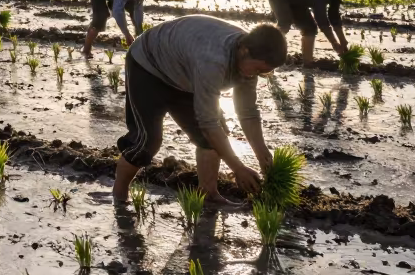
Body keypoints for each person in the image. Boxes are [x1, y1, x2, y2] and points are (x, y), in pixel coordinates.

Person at [112, 15, 288, 205]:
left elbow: (248, 113)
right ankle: (119, 197)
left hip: (185, 75)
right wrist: (238, 168)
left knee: (212, 139)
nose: (256, 74)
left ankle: (209, 195)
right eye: (257, 69)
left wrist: (263, 155)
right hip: (149, 66)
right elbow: (208, 123)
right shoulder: (213, 60)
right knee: (147, 141)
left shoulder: (250, 61)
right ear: (244, 50)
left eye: (262, 72)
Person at [267, 0, 365, 63]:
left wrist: (343, 41)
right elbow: (321, 20)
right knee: (284, 24)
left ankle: (308, 63)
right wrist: (334, 43)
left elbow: (334, 18)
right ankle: (265, 53)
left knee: (310, 29)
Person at [83, 0, 162, 57]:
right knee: (101, 17)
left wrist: (140, 31)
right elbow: (117, 12)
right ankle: (86, 50)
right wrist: (127, 34)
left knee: (133, 13)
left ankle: (139, 48)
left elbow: (138, 10)